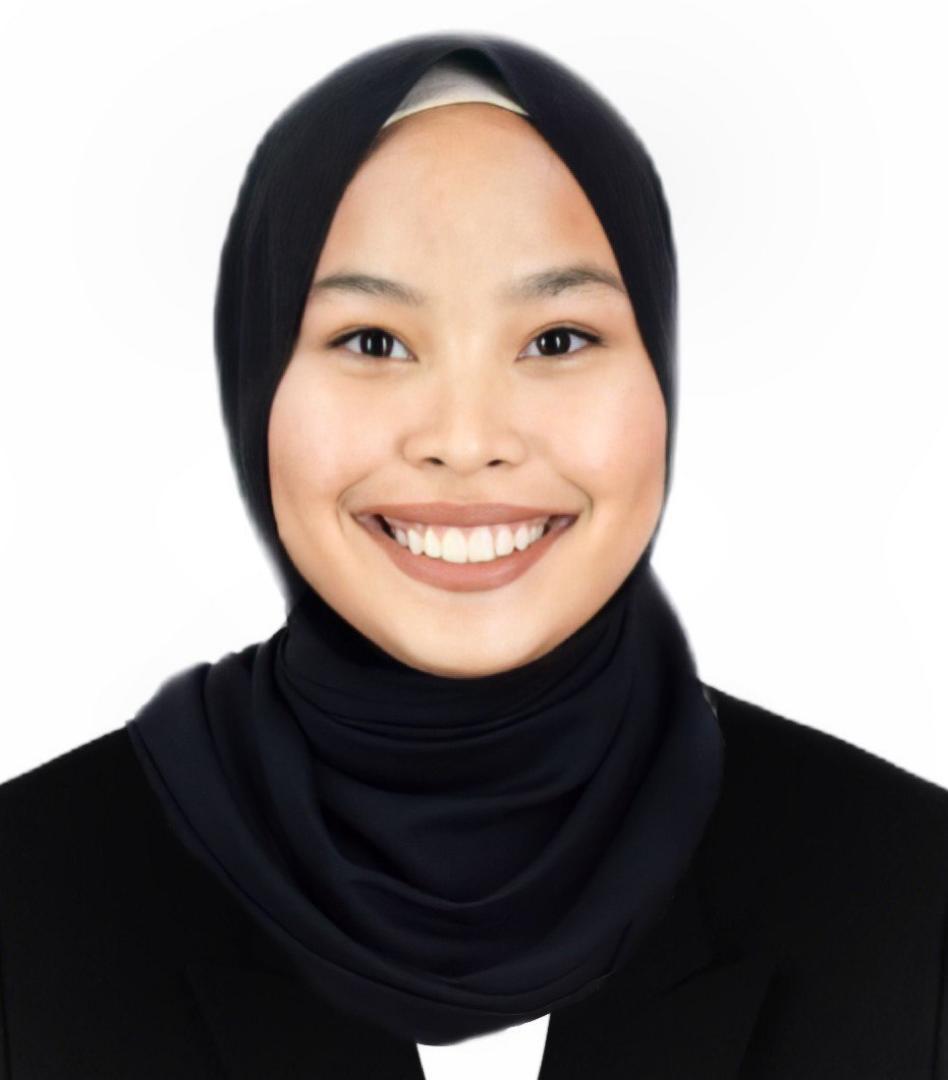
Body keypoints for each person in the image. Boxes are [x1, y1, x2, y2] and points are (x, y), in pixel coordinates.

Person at [0, 31, 946, 1080]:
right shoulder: (31, 894)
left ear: (663, 380)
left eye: (557, 339)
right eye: (372, 341)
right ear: (254, 384)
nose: (464, 437)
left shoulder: (907, 886)